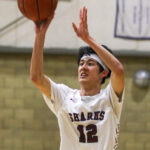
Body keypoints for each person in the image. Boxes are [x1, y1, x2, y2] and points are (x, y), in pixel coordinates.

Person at [30, 6, 125, 150]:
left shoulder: (110, 98)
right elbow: (36, 78)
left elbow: (118, 70)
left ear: (104, 73)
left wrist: (88, 39)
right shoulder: (64, 96)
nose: (83, 67)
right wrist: (40, 34)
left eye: (90, 64)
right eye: (81, 63)